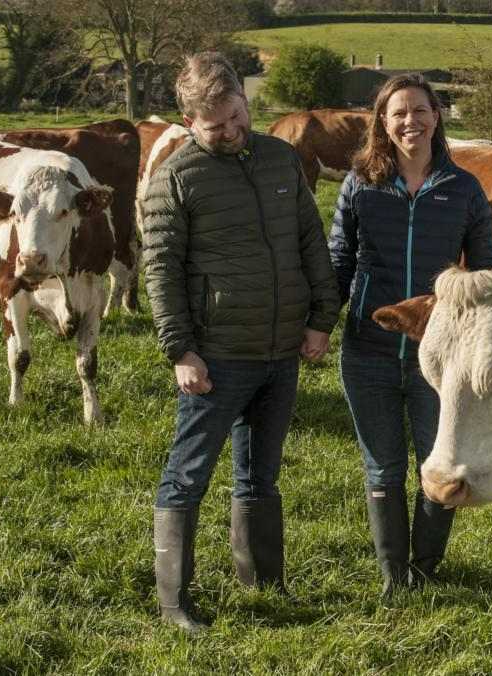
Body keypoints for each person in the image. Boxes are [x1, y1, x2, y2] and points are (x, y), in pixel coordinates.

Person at [143, 52, 339, 632]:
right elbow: (161, 270)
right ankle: (174, 601)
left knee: (261, 471)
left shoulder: (281, 159)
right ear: (189, 123)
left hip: (281, 350)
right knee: (188, 472)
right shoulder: (175, 178)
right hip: (216, 355)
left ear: (244, 103)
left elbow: (310, 240)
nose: (229, 133)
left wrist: (321, 319)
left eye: (235, 118)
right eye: (214, 126)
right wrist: (180, 350)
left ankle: (263, 581)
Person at [329, 74, 492, 596]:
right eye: (399, 113)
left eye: (420, 111)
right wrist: (317, 325)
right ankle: (392, 578)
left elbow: (486, 271)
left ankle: (425, 571)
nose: (411, 121)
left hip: (442, 359)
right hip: (369, 348)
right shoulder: (360, 182)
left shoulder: (464, 188)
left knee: (440, 462)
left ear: (436, 116)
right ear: (383, 123)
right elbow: (339, 260)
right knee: (383, 465)